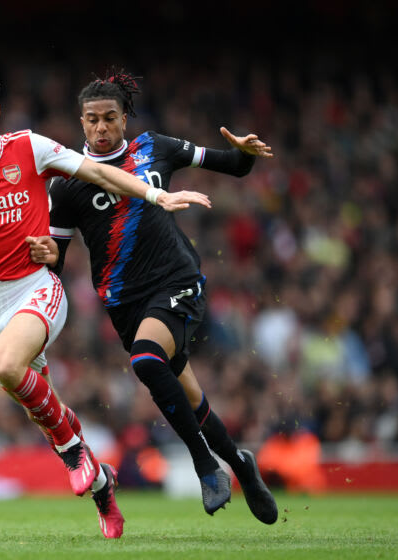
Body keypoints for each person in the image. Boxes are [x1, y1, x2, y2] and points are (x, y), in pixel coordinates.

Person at [0, 66, 213, 539]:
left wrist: (152, 193)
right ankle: (101, 483)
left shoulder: (29, 147)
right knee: (34, 399)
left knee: (5, 366)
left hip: (36, 286)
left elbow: (98, 171)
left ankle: (75, 453)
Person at [27, 70, 278, 524]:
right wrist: (45, 252)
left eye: (109, 118)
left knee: (146, 360)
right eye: (91, 121)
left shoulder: (155, 148)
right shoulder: (65, 184)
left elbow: (234, 166)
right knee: (190, 399)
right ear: (80, 123)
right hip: (124, 303)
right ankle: (240, 464)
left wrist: (244, 153)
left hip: (176, 280)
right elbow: (56, 261)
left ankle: (206, 465)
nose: (100, 129)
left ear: (125, 118)